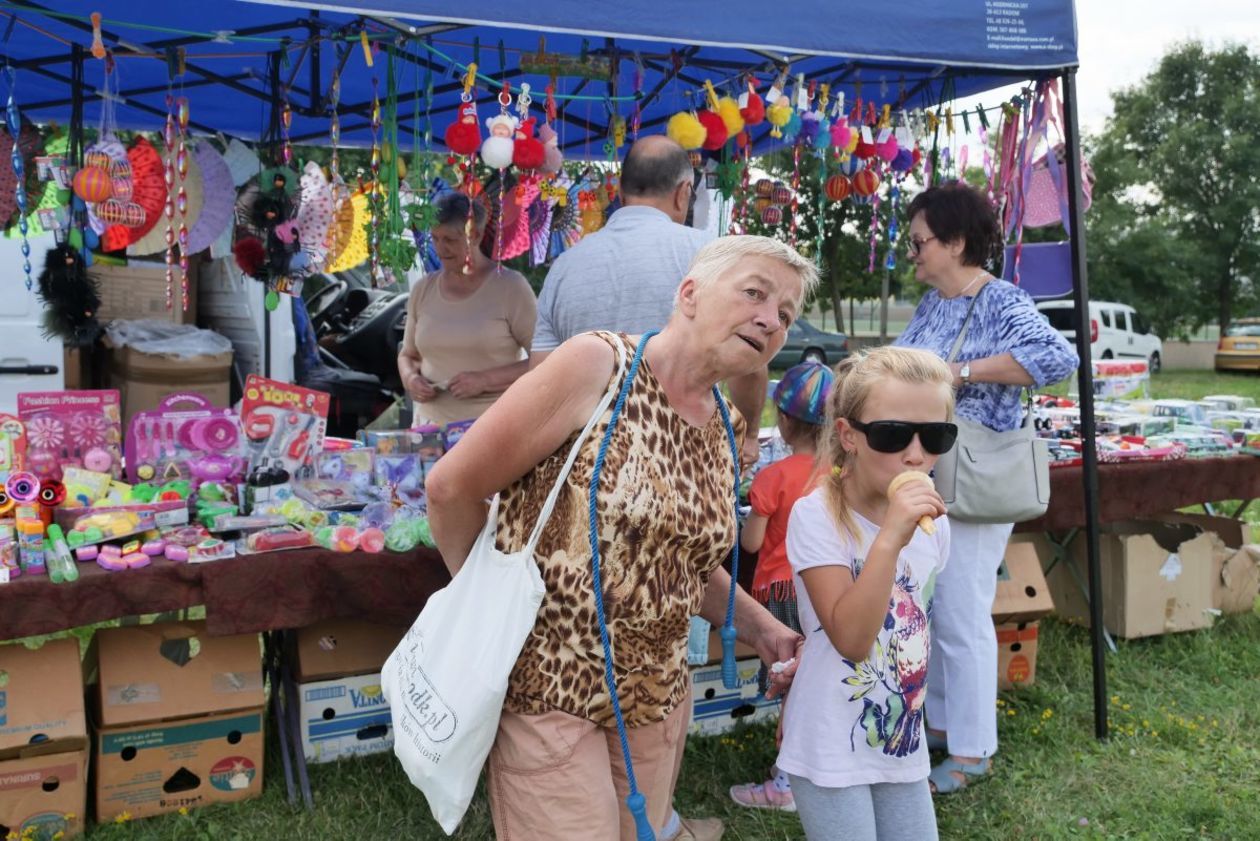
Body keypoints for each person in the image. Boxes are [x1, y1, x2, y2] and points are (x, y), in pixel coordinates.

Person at [425, 235, 816, 841]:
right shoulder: (596, 367)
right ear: (689, 294)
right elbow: (452, 489)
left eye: (785, 315)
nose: (770, 319)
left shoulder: (726, 426)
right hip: (550, 685)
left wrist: (761, 626)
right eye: (755, 294)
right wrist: (482, 604)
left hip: (657, 695)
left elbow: (680, 563)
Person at [894, 181, 1078, 793]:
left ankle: (974, 751)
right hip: (933, 473)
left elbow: (1056, 357)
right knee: (937, 604)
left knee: (961, 612)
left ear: (955, 241)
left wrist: (960, 371)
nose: (913, 251)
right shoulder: (932, 306)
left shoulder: (1001, 299)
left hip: (974, 478)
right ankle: (945, 726)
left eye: (921, 241)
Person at [775, 346, 957, 841]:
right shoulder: (816, 516)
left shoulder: (935, 529)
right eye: (893, 434)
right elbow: (852, 639)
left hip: (900, 739)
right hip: (830, 741)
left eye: (936, 435)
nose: (916, 454)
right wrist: (891, 536)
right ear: (848, 436)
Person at [530, 134, 766, 467]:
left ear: (620, 192)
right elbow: (747, 364)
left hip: (587, 469)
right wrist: (751, 435)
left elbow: (540, 383)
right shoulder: (711, 257)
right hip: (686, 465)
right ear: (684, 192)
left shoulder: (565, 266)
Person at [728, 361, 834, 814]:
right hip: (829, 589)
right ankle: (820, 768)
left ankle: (787, 784)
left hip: (781, 595)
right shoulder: (844, 473)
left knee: (794, 685)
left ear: (784, 421)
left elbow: (751, 541)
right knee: (823, 679)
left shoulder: (773, 478)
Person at [397, 191, 537, 426]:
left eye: (450, 239)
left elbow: (546, 360)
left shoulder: (511, 288)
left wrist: (486, 380)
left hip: (492, 430)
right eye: (435, 238)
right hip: (429, 432)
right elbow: (408, 355)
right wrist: (410, 379)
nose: (440, 248)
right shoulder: (423, 289)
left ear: (477, 235)